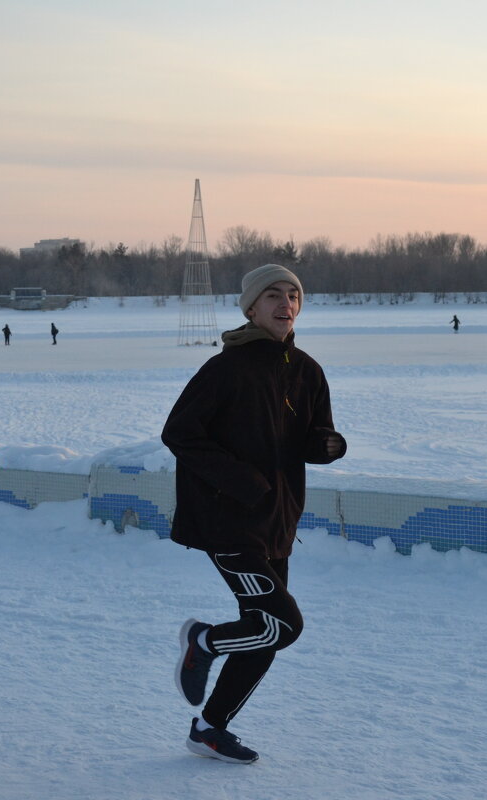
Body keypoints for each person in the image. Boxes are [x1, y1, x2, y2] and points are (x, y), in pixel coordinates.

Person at [163, 264, 347, 765]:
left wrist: (327, 446)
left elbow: (312, 436)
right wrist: (242, 482)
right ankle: (203, 638)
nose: (285, 303)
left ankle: (210, 729)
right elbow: (179, 433)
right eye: (272, 295)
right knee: (282, 625)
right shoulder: (225, 369)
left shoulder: (307, 369)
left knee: (262, 636)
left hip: (276, 521)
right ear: (250, 308)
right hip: (227, 520)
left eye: (292, 295)